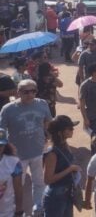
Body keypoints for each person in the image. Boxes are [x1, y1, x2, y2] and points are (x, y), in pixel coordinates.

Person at [0, 80, 52, 215]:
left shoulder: (42, 104)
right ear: (18, 92)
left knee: (39, 182)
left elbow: (48, 121)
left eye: (33, 91)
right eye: (26, 91)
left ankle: (38, 207)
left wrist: (48, 136)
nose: (30, 94)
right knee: (16, 186)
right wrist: (7, 147)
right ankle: (17, 210)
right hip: (18, 156)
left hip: (38, 151)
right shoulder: (8, 109)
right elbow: (1, 131)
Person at [43, 115, 81, 217]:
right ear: (60, 132)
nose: (72, 130)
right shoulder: (52, 152)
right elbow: (48, 179)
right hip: (56, 197)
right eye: (69, 129)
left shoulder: (64, 144)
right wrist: (70, 169)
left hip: (67, 193)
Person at [0, 128, 23, 217]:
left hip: (7, 213)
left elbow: (18, 188)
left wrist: (19, 210)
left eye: (1, 145)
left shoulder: (14, 162)